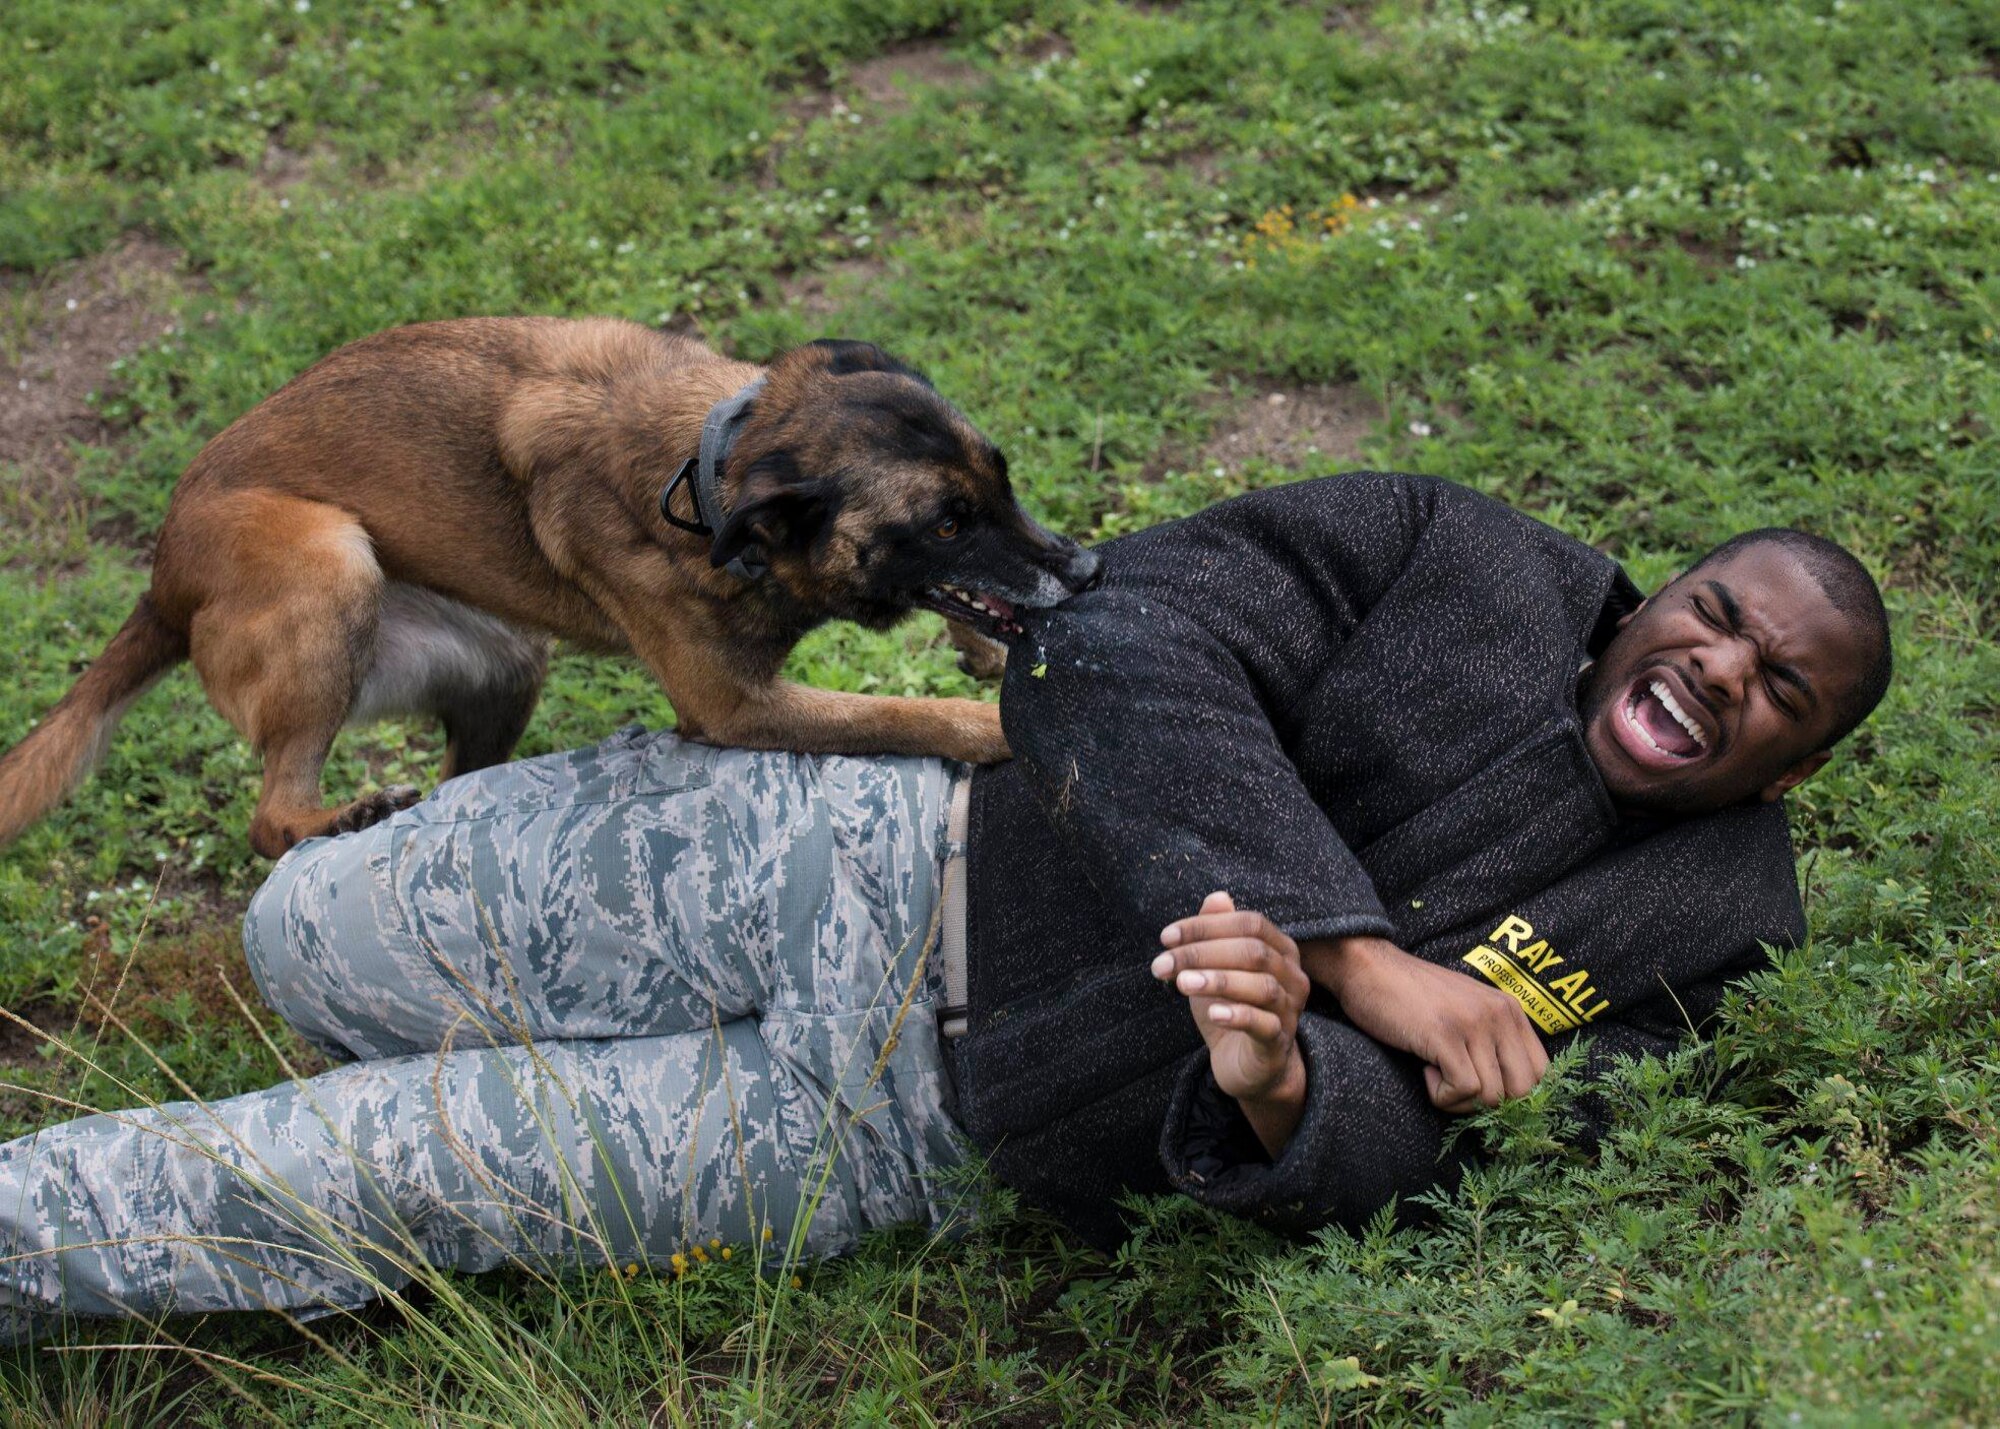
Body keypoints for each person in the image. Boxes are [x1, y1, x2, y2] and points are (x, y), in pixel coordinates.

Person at [0, 472, 1891, 1342]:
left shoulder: (1708, 923)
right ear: (1661, 598)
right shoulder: (1460, 559)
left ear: (1790, 763)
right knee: (296, 936)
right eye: (1718, 616)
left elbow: (1469, 1138)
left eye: (1778, 688)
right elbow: (1129, 639)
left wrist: (1284, 1091)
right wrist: (1349, 951)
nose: (1724, 669)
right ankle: (393, 974)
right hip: (863, 858)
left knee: (352, 1179)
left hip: (902, 1131)